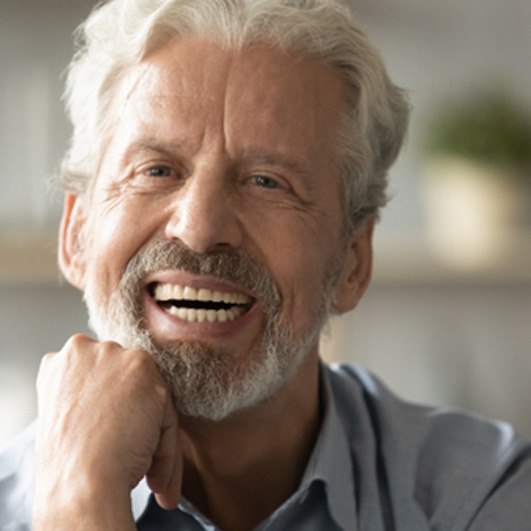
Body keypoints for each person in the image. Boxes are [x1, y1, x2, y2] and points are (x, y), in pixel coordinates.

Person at [1, 0, 531, 529]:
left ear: (352, 262)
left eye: (267, 181)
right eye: (157, 169)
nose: (201, 227)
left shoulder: (485, 494)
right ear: (76, 234)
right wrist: (79, 486)